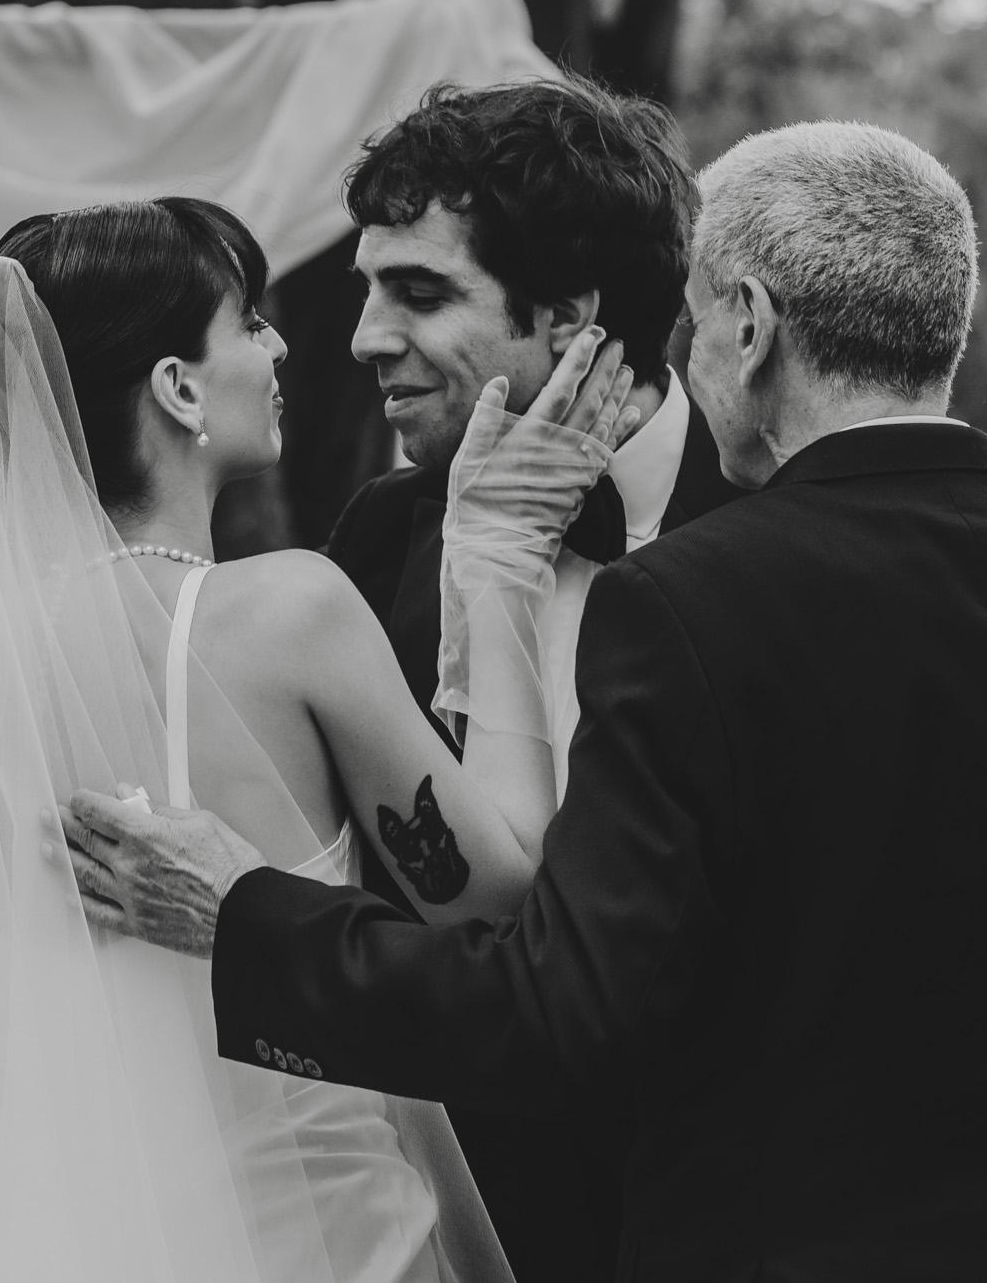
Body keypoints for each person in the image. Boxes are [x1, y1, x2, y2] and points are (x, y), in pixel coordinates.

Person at [64, 122, 987, 1281]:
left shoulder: (695, 596)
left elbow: (561, 1010)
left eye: (419, 290)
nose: (360, 338)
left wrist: (247, 922)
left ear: (745, 323)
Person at [0, 200, 635, 1282]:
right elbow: (500, 890)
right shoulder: (288, 612)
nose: (281, 345)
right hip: (323, 1239)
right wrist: (496, 568)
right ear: (178, 388)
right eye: (247, 321)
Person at [323, 77, 750, 1281]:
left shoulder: (777, 542)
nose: (364, 336)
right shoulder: (382, 534)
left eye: (418, 292)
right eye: (367, 289)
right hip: (455, 1213)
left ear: (567, 315)